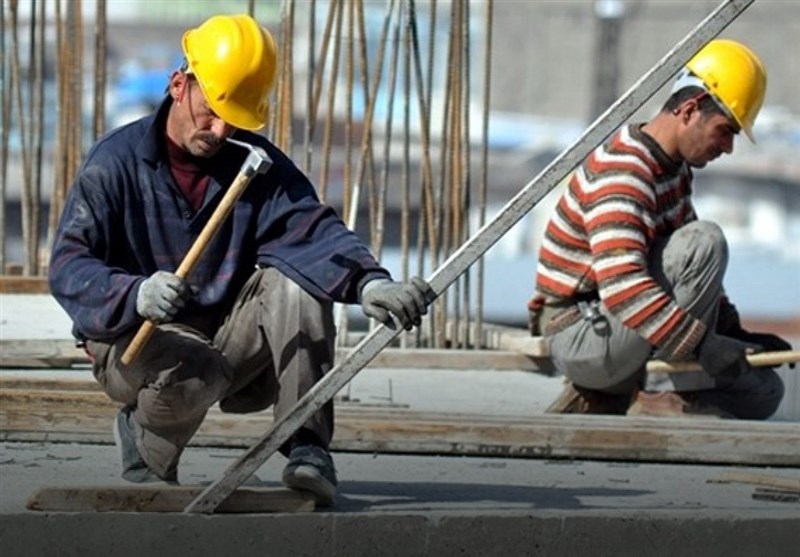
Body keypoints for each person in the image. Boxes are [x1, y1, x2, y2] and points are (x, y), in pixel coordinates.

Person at [48, 14, 431, 506]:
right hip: (134, 345)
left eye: (235, 118)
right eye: (211, 110)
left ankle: (307, 444)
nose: (220, 128)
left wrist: (369, 284)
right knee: (193, 367)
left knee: (298, 285)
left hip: (226, 341)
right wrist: (134, 292)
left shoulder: (253, 162)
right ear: (179, 84)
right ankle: (145, 437)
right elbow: (68, 265)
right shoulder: (114, 163)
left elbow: (311, 232)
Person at [527, 39, 791, 420]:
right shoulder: (624, 171)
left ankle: (632, 398)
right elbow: (622, 287)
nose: (728, 147)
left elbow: (693, 279)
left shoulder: (674, 169)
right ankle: (657, 392)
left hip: (632, 335)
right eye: (724, 130)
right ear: (688, 110)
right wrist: (704, 347)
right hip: (584, 335)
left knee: (764, 392)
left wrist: (736, 333)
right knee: (704, 240)